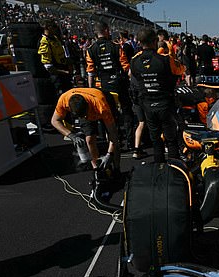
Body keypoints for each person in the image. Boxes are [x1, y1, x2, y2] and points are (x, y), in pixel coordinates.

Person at [130, 28, 185, 163]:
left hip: (147, 104)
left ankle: (159, 169)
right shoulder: (166, 59)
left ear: (139, 43)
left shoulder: (134, 61)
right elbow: (180, 70)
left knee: (156, 141)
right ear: (155, 41)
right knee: (171, 140)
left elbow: (135, 78)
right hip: (165, 103)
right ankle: (174, 170)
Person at [86, 21, 134, 151]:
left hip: (103, 86)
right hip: (119, 84)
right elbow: (126, 67)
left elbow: (90, 72)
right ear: (106, 30)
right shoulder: (117, 47)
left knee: (108, 115)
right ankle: (130, 142)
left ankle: (113, 142)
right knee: (127, 113)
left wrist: (91, 91)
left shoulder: (90, 49)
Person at [50, 88, 120, 170]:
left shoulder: (101, 106)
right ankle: (96, 167)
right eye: (81, 116)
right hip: (83, 107)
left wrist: (109, 154)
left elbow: (113, 133)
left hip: (103, 100)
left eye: (85, 114)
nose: (86, 117)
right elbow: (54, 121)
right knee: (89, 140)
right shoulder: (64, 100)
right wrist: (71, 135)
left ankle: (117, 168)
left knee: (111, 138)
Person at [37, 19, 72, 96]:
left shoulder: (55, 39)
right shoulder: (44, 42)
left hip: (65, 75)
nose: (56, 29)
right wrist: (64, 72)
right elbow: (48, 67)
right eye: (54, 27)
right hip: (57, 78)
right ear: (48, 28)